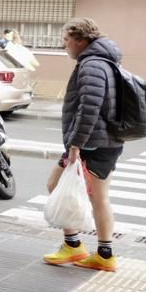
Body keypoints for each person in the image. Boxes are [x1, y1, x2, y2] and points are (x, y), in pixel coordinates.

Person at [43, 17, 123, 271]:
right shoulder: (104, 61)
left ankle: (78, 247)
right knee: (97, 196)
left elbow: (90, 107)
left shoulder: (92, 65)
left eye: (67, 40)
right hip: (103, 140)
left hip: (91, 143)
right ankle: (100, 252)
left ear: (81, 40)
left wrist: (76, 144)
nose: (64, 45)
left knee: (60, 185)